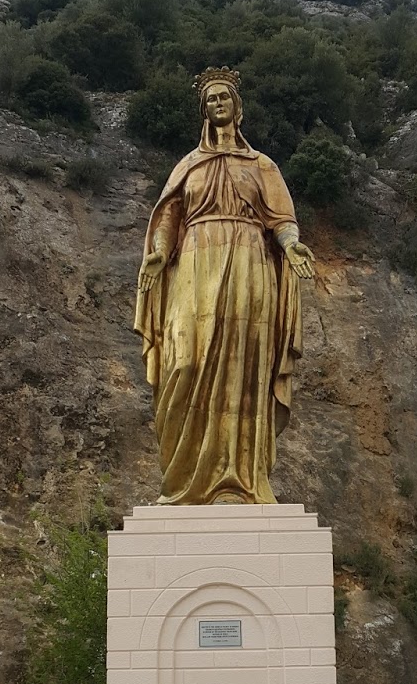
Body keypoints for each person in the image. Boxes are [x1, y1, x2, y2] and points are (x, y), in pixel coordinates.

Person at [135, 67, 315, 505]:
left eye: (224, 97)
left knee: (244, 368)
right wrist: (158, 252)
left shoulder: (262, 165)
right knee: (185, 361)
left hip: (249, 264)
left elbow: (281, 219)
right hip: (195, 263)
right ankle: (183, 480)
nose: (218, 103)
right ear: (204, 110)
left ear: (237, 107)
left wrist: (291, 245)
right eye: (211, 99)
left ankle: (240, 479)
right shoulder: (188, 166)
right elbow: (169, 216)